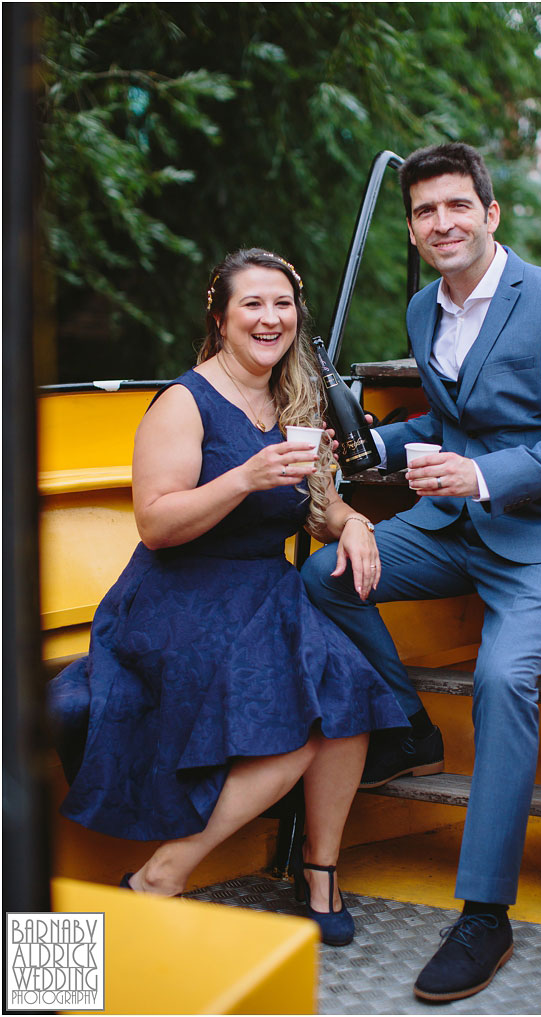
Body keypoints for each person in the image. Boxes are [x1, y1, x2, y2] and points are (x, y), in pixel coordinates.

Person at [300, 142, 541, 1002]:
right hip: (451, 528)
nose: (440, 223)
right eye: (424, 212)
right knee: (322, 577)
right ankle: (407, 723)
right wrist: (368, 444)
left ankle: (484, 913)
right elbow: (448, 416)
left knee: (502, 676)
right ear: (412, 225)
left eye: (455, 207)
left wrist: (479, 475)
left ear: (490, 213)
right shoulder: (419, 309)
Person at [48, 249, 408, 947]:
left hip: (261, 593)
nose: (271, 318)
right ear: (220, 317)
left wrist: (354, 522)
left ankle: (321, 871)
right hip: (175, 601)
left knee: (351, 697)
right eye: (252, 304)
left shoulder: (294, 399)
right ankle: (163, 873)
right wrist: (244, 477)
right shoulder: (185, 401)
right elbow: (156, 525)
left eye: (283, 304)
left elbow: (318, 507)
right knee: (306, 720)